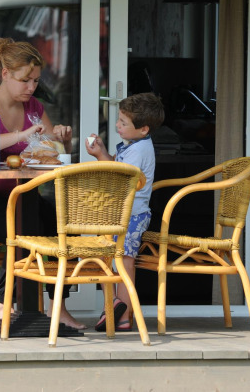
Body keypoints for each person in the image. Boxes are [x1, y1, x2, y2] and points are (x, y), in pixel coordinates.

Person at [0, 37, 86, 329]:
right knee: (23, 229)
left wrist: (61, 139)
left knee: (65, 230)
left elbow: (49, 148)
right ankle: (3, 304)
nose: (31, 87)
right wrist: (20, 136)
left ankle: (56, 308)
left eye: (36, 81)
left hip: (22, 195)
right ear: (5, 74)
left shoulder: (34, 106)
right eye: (25, 80)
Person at [85, 92, 165, 331]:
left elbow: (119, 178)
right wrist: (101, 154)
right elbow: (117, 168)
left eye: (123, 122)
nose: (117, 125)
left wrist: (101, 162)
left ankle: (122, 311)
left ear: (143, 129)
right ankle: (115, 306)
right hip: (120, 213)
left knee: (125, 260)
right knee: (108, 257)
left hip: (132, 215)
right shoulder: (133, 146)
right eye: (118, 119)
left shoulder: (139, 151)